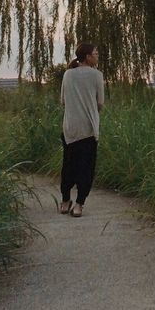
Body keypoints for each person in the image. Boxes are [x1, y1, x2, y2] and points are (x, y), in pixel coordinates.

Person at [59, 41, 104, 217]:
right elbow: (100, 103)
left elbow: (62, 100)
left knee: (68, 165)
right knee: (86, 167)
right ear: (87, 56)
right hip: (88, 128)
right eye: (96, 53)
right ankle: (78, 205)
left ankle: (64, 202)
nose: (97, 56)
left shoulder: (68, 75)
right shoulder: (97, 75)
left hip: (69, 128)